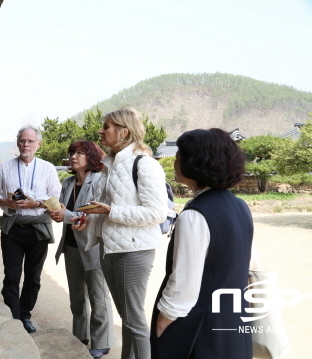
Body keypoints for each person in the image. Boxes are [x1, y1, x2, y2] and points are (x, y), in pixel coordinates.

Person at [150, 129, 253, 359]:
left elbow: (184, 286)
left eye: (178, 156)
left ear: (196, 163)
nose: (175, 161)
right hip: (231, 324)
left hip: (199, 328)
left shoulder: (195, 215)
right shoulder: (240, 206)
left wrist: (161, 324)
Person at [76, 106, 168, 359]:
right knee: (128, 319)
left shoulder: (145, 164)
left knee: (134, 321)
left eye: (106, 126)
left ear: (123, 131)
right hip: (110, 248)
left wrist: (111, 211)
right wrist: (89, 221)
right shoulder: (108, 165)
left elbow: (156, 213)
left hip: (134, 250)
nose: (101, 130)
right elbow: (105, 209)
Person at [0, 125, 60, 333]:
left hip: (37, 228)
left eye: (30, 141)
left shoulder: (48, 168)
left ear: (38, 144)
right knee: (11, 275)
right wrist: (6, 202)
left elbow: (56, 199)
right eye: (22, 141)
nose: (25, 144)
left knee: (33, 276)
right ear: (17, 143)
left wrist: (36, 203)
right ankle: (13, 317)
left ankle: (25, 315)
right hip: (12, 228)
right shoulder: (4, 167)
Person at [48, 141, 113, 359]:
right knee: (76, 297)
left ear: (92, 156)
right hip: (71, 245)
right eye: (72, 153)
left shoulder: (99, 180)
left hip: (93, 245)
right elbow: (66, 211)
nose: (74, 156)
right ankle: (79, 336)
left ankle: (102, 343)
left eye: (80, 153)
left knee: (98, 296)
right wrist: (56, 213)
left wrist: (66, 215)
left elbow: (94, 212)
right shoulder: (67, 182)